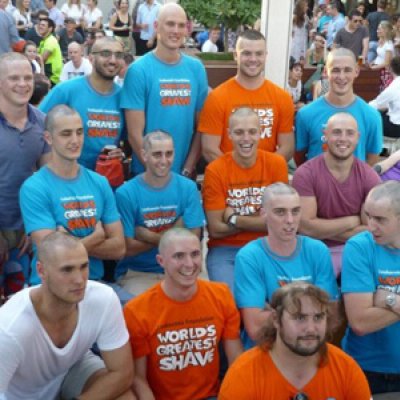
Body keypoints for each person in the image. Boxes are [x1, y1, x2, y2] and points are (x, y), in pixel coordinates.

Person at [0, 232, 135, 400]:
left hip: (72, 369)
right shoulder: (10, 327)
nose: (79, 280)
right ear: (41, 271)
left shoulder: (103, 298)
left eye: (84, 266)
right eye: (67, 269)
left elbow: (122, 373)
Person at [123, 227, 243, 400]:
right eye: (179, 256)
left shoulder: (221, 295)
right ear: (161, 261)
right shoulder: (137, 310)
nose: (189, 264)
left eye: (195, 254)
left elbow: (236, 361)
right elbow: (138, 378)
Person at [20, 105, 125, 285]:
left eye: (79, 132)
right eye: (66, 134)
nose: (75, 140)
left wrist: (70, 241)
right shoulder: (34, 188)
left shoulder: (99, 182)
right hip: (50, 287)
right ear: (48, 138)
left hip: (94, 283)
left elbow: (119, 248)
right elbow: (53, 255)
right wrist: (95, 238)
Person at [219, 282, 371, 400]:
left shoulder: (345, 368)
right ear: (276, 320)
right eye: (299, 318)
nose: (311, 329)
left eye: (318, 317)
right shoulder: (244, 373)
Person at [234, 183, 339, 349]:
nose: (290, 220)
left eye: (295, 211)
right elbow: (255, 327)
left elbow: (330, 315)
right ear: (264, 215)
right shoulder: (249, 257)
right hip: (267, 351)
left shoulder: (318, 250)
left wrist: (276, 311)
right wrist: (311, 311)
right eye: (280, 212)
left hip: (309, 352)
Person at [203, 107, 288, 291]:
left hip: (268, 246)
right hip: (226, 251)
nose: (246, 138)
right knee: (232, 301)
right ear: (229, 134)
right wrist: (261, 220)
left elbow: (282, 223)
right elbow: (216, 229)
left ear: (260, 133)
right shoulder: (215, 170)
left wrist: (234, 219)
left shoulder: (276, 164)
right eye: (239, 132)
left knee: (280, 299)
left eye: (252, 132)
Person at [121, 3, 208, 177]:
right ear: (156, 26)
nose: (176, 30)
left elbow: (202, 127)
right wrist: (158, 174)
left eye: (181, 25)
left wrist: (187, 169)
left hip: (183, 175)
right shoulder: (139, 70)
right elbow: (134, 134)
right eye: (170, 24)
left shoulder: (196, 68)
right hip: (146, 175)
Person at [115, 131, 205, 296]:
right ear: (144, 155)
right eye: (157, 154)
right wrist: (174, 234)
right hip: (139, 272)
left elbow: (193, 239)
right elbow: (126, 248)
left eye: (169, 154)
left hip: (184, 269)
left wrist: (148, 236)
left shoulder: (188, 188)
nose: (164, 161)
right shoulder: (126, 193)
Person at [292, 113, 380, 277]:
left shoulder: (369, 176)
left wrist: (320, 228)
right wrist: (352, 221)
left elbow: (371, 231)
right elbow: (306, 228)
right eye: (337, 132)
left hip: (356, 251)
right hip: (314, 249)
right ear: (325, 135)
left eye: (349, 133)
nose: (343, 138)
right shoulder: (305, 173)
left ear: (358, 138)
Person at [198, 29, 295, 164]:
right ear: (235, 55)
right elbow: (209, 149)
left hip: (267, 180)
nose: (253, 59)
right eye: (246, 53)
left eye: (259, 54)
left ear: (266, 56)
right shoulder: (217, 97)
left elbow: (287, 147)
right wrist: (237, 174)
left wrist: (263, 172)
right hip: (228, 179)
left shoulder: (282, 97)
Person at [341, 180, 400, 394]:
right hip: (368, 369)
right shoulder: (359, 247)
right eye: (368, 216)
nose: (370, 225)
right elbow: (360, 322)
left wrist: (388, 298)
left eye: (380, 219)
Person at [0, 52, 50, 298]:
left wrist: (35, 227)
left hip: (26, 235)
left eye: (28, 77)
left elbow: (48, 180)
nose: (23, 84)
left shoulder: (41, 122)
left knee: (20, 305)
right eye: (14, 78)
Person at [39, 37, 125, 170]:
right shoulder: (66, 90)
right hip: (67, 180)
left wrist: (121, 153)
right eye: (105, 54)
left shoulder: (124, 97)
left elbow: (127, 141)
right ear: (91, 58)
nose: (113, 60)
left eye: (118, 55)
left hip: (107, 182)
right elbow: (37, 126)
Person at [295, 48, 382, 167]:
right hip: (315, 184)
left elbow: (372, 160)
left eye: (347, 70)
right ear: (325, 72)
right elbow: (300, 157)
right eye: (336, 70)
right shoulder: (305, 114)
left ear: (356, 71)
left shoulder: (371, 116)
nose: (341, 77)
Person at [369, 55, 400, 138]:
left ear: (390, 69)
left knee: (370, 117)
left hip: (397, 128)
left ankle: (373, 147)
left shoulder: (394, 86)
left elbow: (374, 105)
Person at [369, 20, 395, 92]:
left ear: (386, 30)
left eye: (379, 29)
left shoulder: (389, 44)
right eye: (377, 29)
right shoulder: (380, 41)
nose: (377, 31)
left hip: (384, 72)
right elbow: (380, 56)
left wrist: (374, 68)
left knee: (383, 91)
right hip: (378, 70)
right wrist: (372, 62)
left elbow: (387, 62)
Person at [37, 17, 63, 85]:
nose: (40, 26)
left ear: (50, 29)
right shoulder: (44, 41)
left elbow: (42, 59)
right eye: (40, 24)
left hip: (52, 77)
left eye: (43, 25)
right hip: (48, 74)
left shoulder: (51, 40)